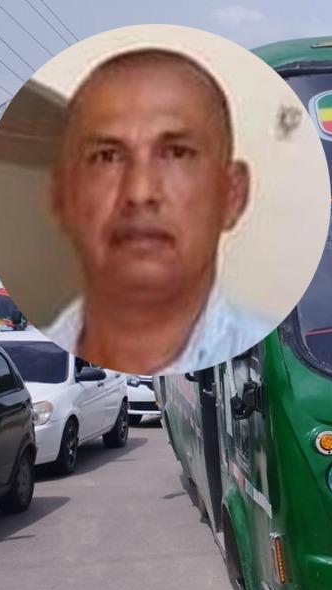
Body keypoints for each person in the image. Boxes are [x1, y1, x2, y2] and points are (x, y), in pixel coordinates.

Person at [45, 48, 274, 374]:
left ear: (233, 195)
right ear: (60, 197)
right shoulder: (21, 363)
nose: (140, 193)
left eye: (177, 153)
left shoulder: (280, 368)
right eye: (107, 156)